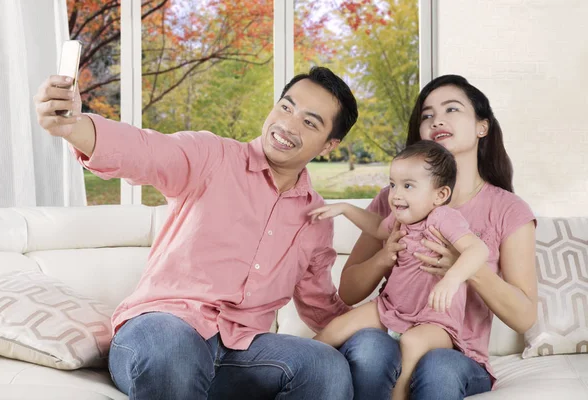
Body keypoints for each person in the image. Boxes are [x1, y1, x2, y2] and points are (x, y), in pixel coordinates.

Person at [33, 66, 358, 400]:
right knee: (174, 349)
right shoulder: (212, 156)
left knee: (326, 366)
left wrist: (389, 317)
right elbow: (143, 150)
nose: (287, 125)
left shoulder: (316, 218)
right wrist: (74, 125)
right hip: (161, 331)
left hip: (242, 352)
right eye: (286, 107)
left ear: (329, 144)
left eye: (309, 122)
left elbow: (320, 305)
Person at [338, 75, 537, 400]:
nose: (436, 120)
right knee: (368, 348)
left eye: (452, 109)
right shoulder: (393, 199)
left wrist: (465, 267)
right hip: (390, 335)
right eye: (427, 115)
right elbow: (347, 291)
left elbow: (523, 317)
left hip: (457, 355)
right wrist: (385, 255)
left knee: (438, 366)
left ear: (482, 126)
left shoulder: (508, 210)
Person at [309, 140, 489, 400]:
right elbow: (377, 228)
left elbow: (478, 249)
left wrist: (451, 280)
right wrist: (345, 209)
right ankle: (299, 371)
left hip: (434, 319)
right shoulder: (401, 218)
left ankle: (400, 394)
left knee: (411, 343)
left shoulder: (443, 218)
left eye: (408, 186)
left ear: (440, 195)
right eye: (393, 184)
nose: (395, 194)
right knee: (336, 328)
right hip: (391, 307)